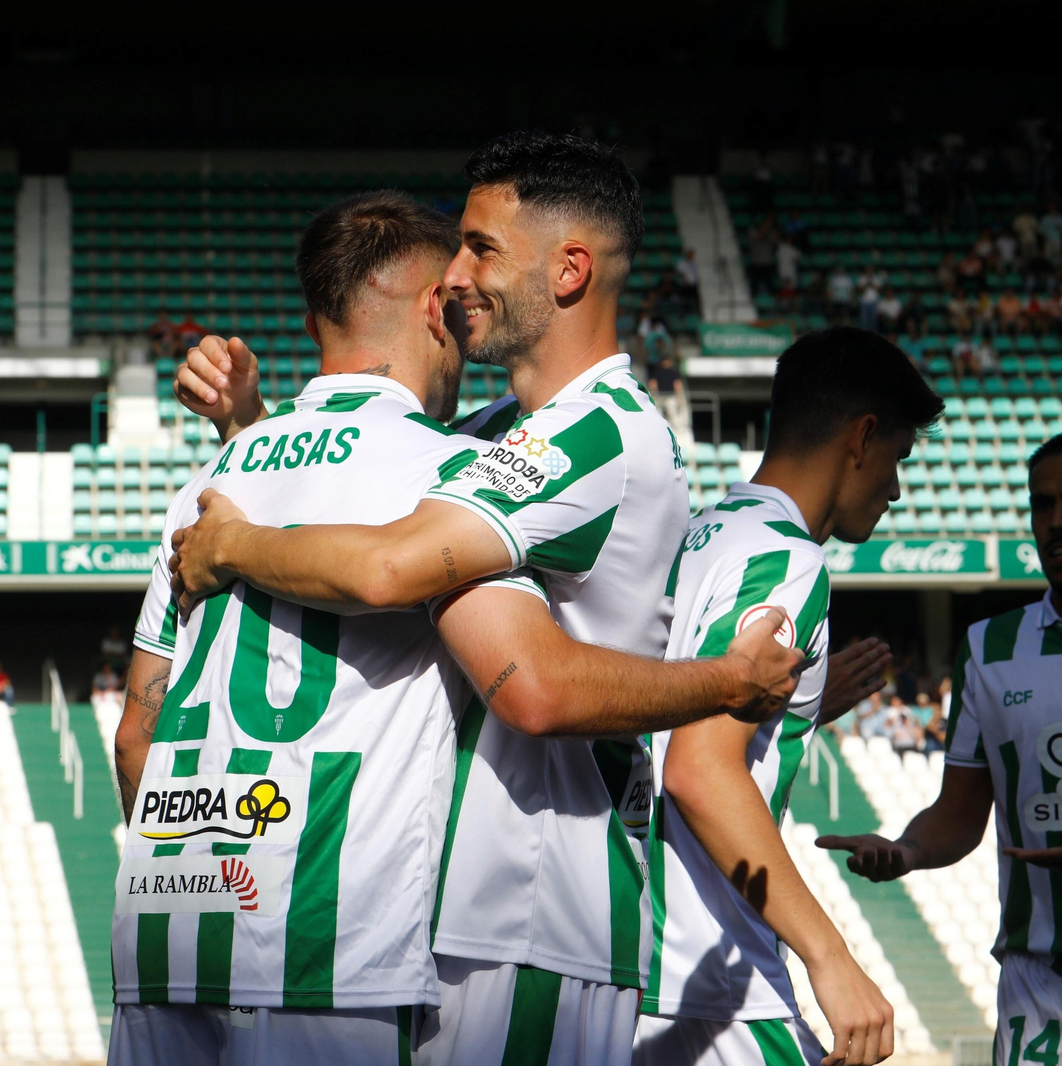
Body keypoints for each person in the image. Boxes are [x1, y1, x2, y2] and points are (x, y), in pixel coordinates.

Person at [114, 184, 800, 1066]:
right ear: (436, 309)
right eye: (463, 270)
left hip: (167, 921)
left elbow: (138, 735)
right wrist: (729, 680)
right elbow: (529, 679)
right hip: (322, 932)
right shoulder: (453, 477)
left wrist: (246, 430)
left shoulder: (209, 485)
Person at [635, 328, 935, 1066]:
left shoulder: (702, 534)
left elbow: (671, 714)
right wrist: (830, 958)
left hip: (632, 960)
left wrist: (798, 709)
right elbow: (699, 770)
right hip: (713, 976)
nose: (895, 489)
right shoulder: (788, 560)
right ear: (861, 438)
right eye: (896, 459)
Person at [819, 432, 1062, 1066]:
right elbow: (959, 815)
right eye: (1043, 505)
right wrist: (907, 849)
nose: (1055, 522)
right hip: (1037, 986)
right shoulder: (991, 648)